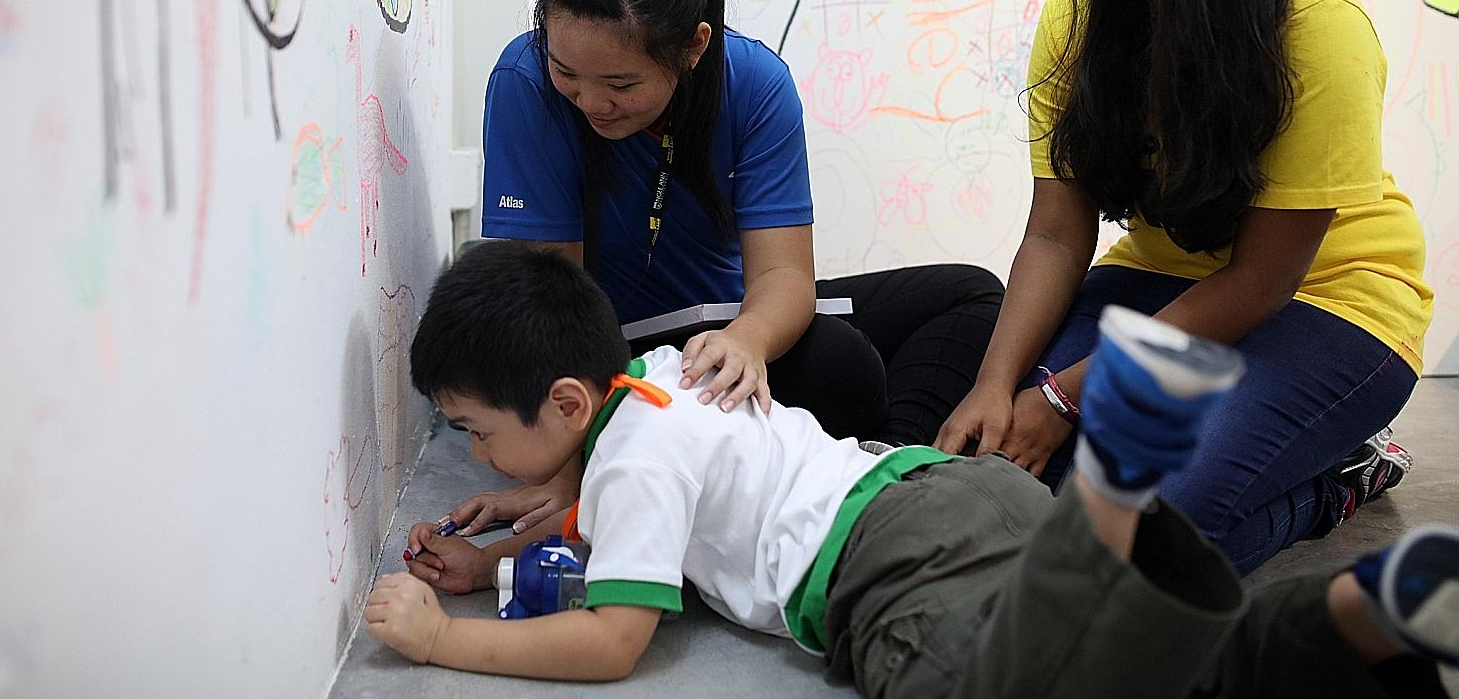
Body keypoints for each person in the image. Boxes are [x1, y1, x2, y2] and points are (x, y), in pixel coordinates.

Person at [363, 241, 1459, 698]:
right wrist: (501, 552)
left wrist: (447, 638)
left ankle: (1115, 480)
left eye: (472, 427)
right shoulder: (649, 378)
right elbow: (596, 498)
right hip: (946, 490)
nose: (474, 454)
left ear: (562, 405)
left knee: (985, 688)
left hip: (884, 566)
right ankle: (1361, 609)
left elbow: (612, 637)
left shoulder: (629, 473)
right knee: (1134, 674)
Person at [935, 0, 1434, 575]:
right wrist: (998, 383)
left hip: (1329, 303)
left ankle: (1338, 481)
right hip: (1160, 285)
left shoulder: (1317, 27)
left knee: (1141, 528)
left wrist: (1060, 395)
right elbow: (1058, 236)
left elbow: (1261, 282)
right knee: (1018, 485)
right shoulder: (1077, 21)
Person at [454, 0, 1003, 534]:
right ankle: (870, 483)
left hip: (721, 323)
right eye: (568, 73)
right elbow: (549, 305)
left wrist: (748, 340)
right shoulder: (525, 82)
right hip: (611, 347)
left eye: (622, 85)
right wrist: (570, 466)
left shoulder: (755, 83)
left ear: (692, 47)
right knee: (840, 367)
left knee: (971, 295)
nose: (592, 103)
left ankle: (893, 468)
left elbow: (785, 278)